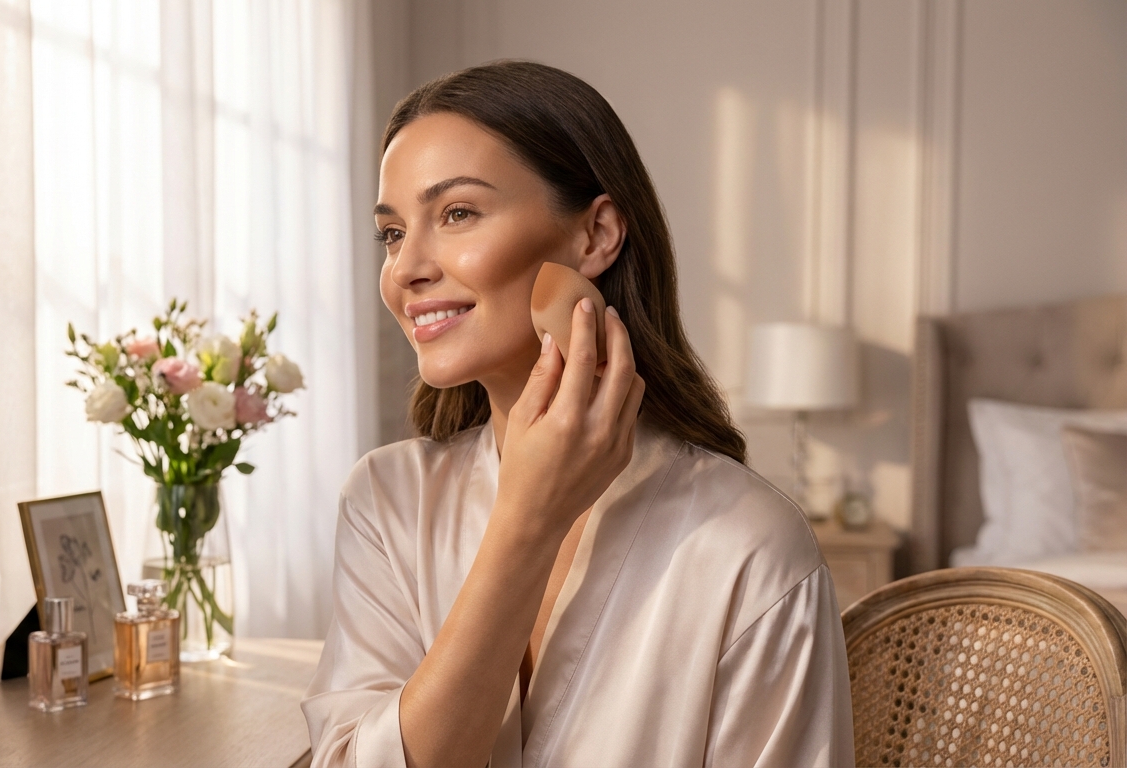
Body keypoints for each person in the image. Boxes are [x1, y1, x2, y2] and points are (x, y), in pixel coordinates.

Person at [302, 60, 854, 768]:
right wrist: (525, 522)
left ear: (595, 236)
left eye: (457, 214)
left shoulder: (751, 546)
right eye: (391, 233)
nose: (406, 267)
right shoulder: (386, 503)